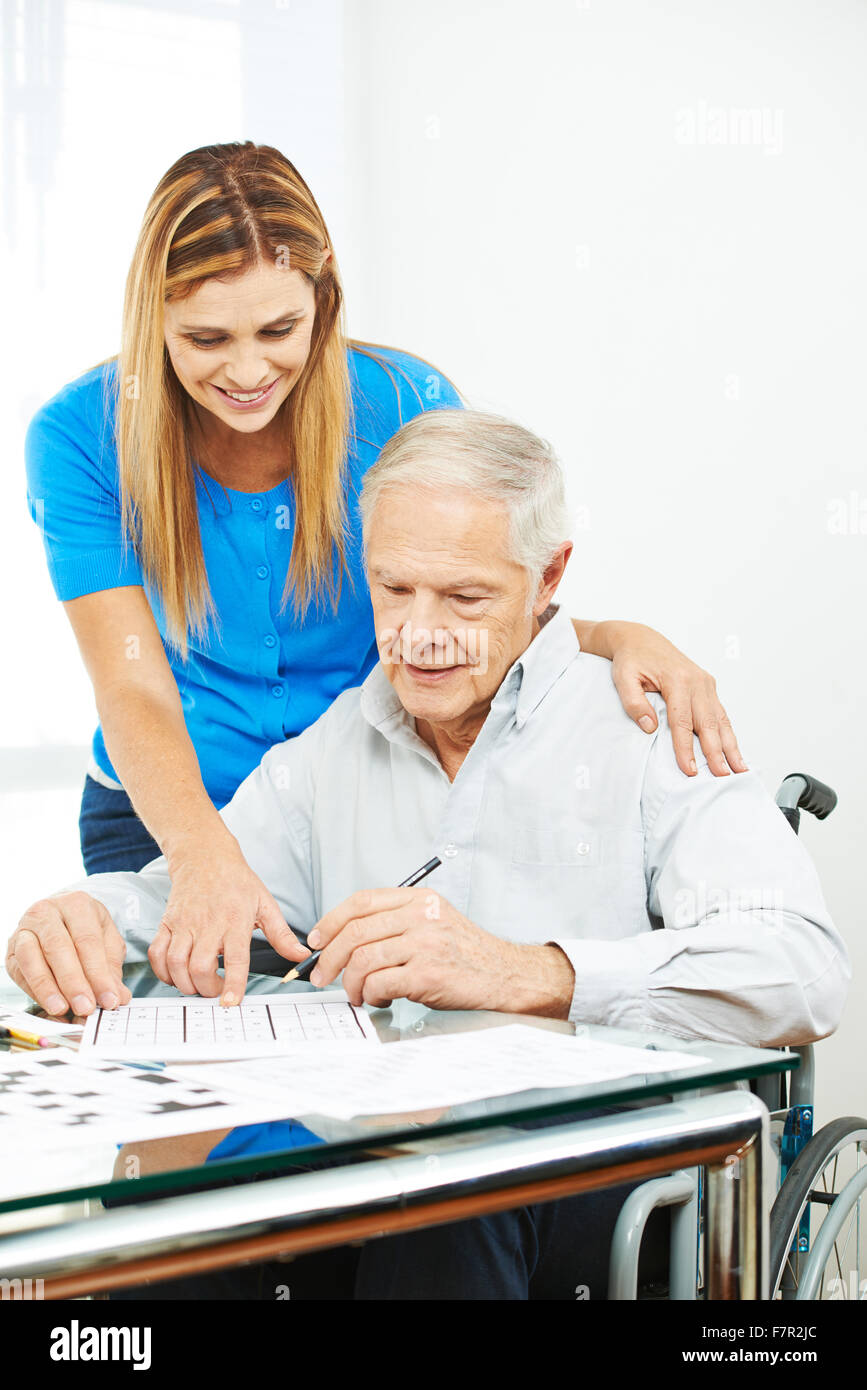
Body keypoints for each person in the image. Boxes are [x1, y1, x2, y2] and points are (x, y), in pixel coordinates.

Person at [8, 408, 849, 1300]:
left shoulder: (646, 730)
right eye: (393, 589)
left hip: (602, 1175)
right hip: (374, 1158)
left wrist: (531, 973)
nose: (419, 634)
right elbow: (189, 900)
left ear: (548, 575)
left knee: (447, 1204)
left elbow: (800, 967)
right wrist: (82, 921)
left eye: (464, 597)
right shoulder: (333, 751)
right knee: (174, 1228)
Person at [22, 140, 748, 1018]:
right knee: (188, 1101)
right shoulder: (79, 437)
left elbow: (472, 577)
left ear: (323, 303)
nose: (248, 373)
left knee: (375, 1072)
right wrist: (206, 855)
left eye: (279, 331)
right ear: (151, 321)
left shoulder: (401, 401)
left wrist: (611, 634)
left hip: (350, 807)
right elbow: (131, 683)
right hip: (166, 814)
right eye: (206, 338)